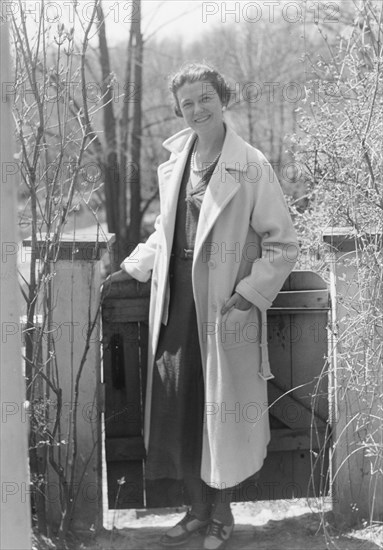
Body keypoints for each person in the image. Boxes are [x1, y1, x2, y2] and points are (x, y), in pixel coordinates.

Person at [105, 62, 299, 550]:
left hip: (222, 308)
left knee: (224, 414)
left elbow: (283, 244)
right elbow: (165, 233)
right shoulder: (177, 161)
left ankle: (221, 516)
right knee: (180, 408)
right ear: (178, 109)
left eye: (205, 98)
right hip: (176, 308)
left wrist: (248, 295)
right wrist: (134, 267)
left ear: (223, 98)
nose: (196, 109)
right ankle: (195, 509)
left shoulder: (251, 164)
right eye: (187, 103)